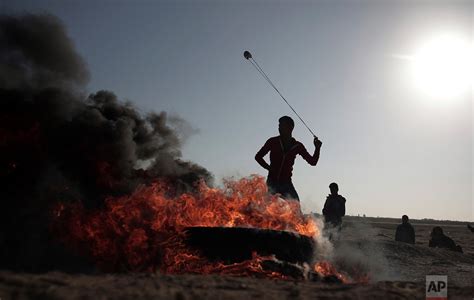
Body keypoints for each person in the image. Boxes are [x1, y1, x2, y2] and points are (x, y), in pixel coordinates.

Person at [255, 116, 322, 201]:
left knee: (296, 207)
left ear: (290, 128)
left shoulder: (298, 146)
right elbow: (258, 157)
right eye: (279, 126)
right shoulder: (272, 141)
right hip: (272, 182)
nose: (279, 128)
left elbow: (313, 162)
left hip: (286, 183)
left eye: (282, 126)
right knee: (266, 209)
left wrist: (317, 148)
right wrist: (269, 168)